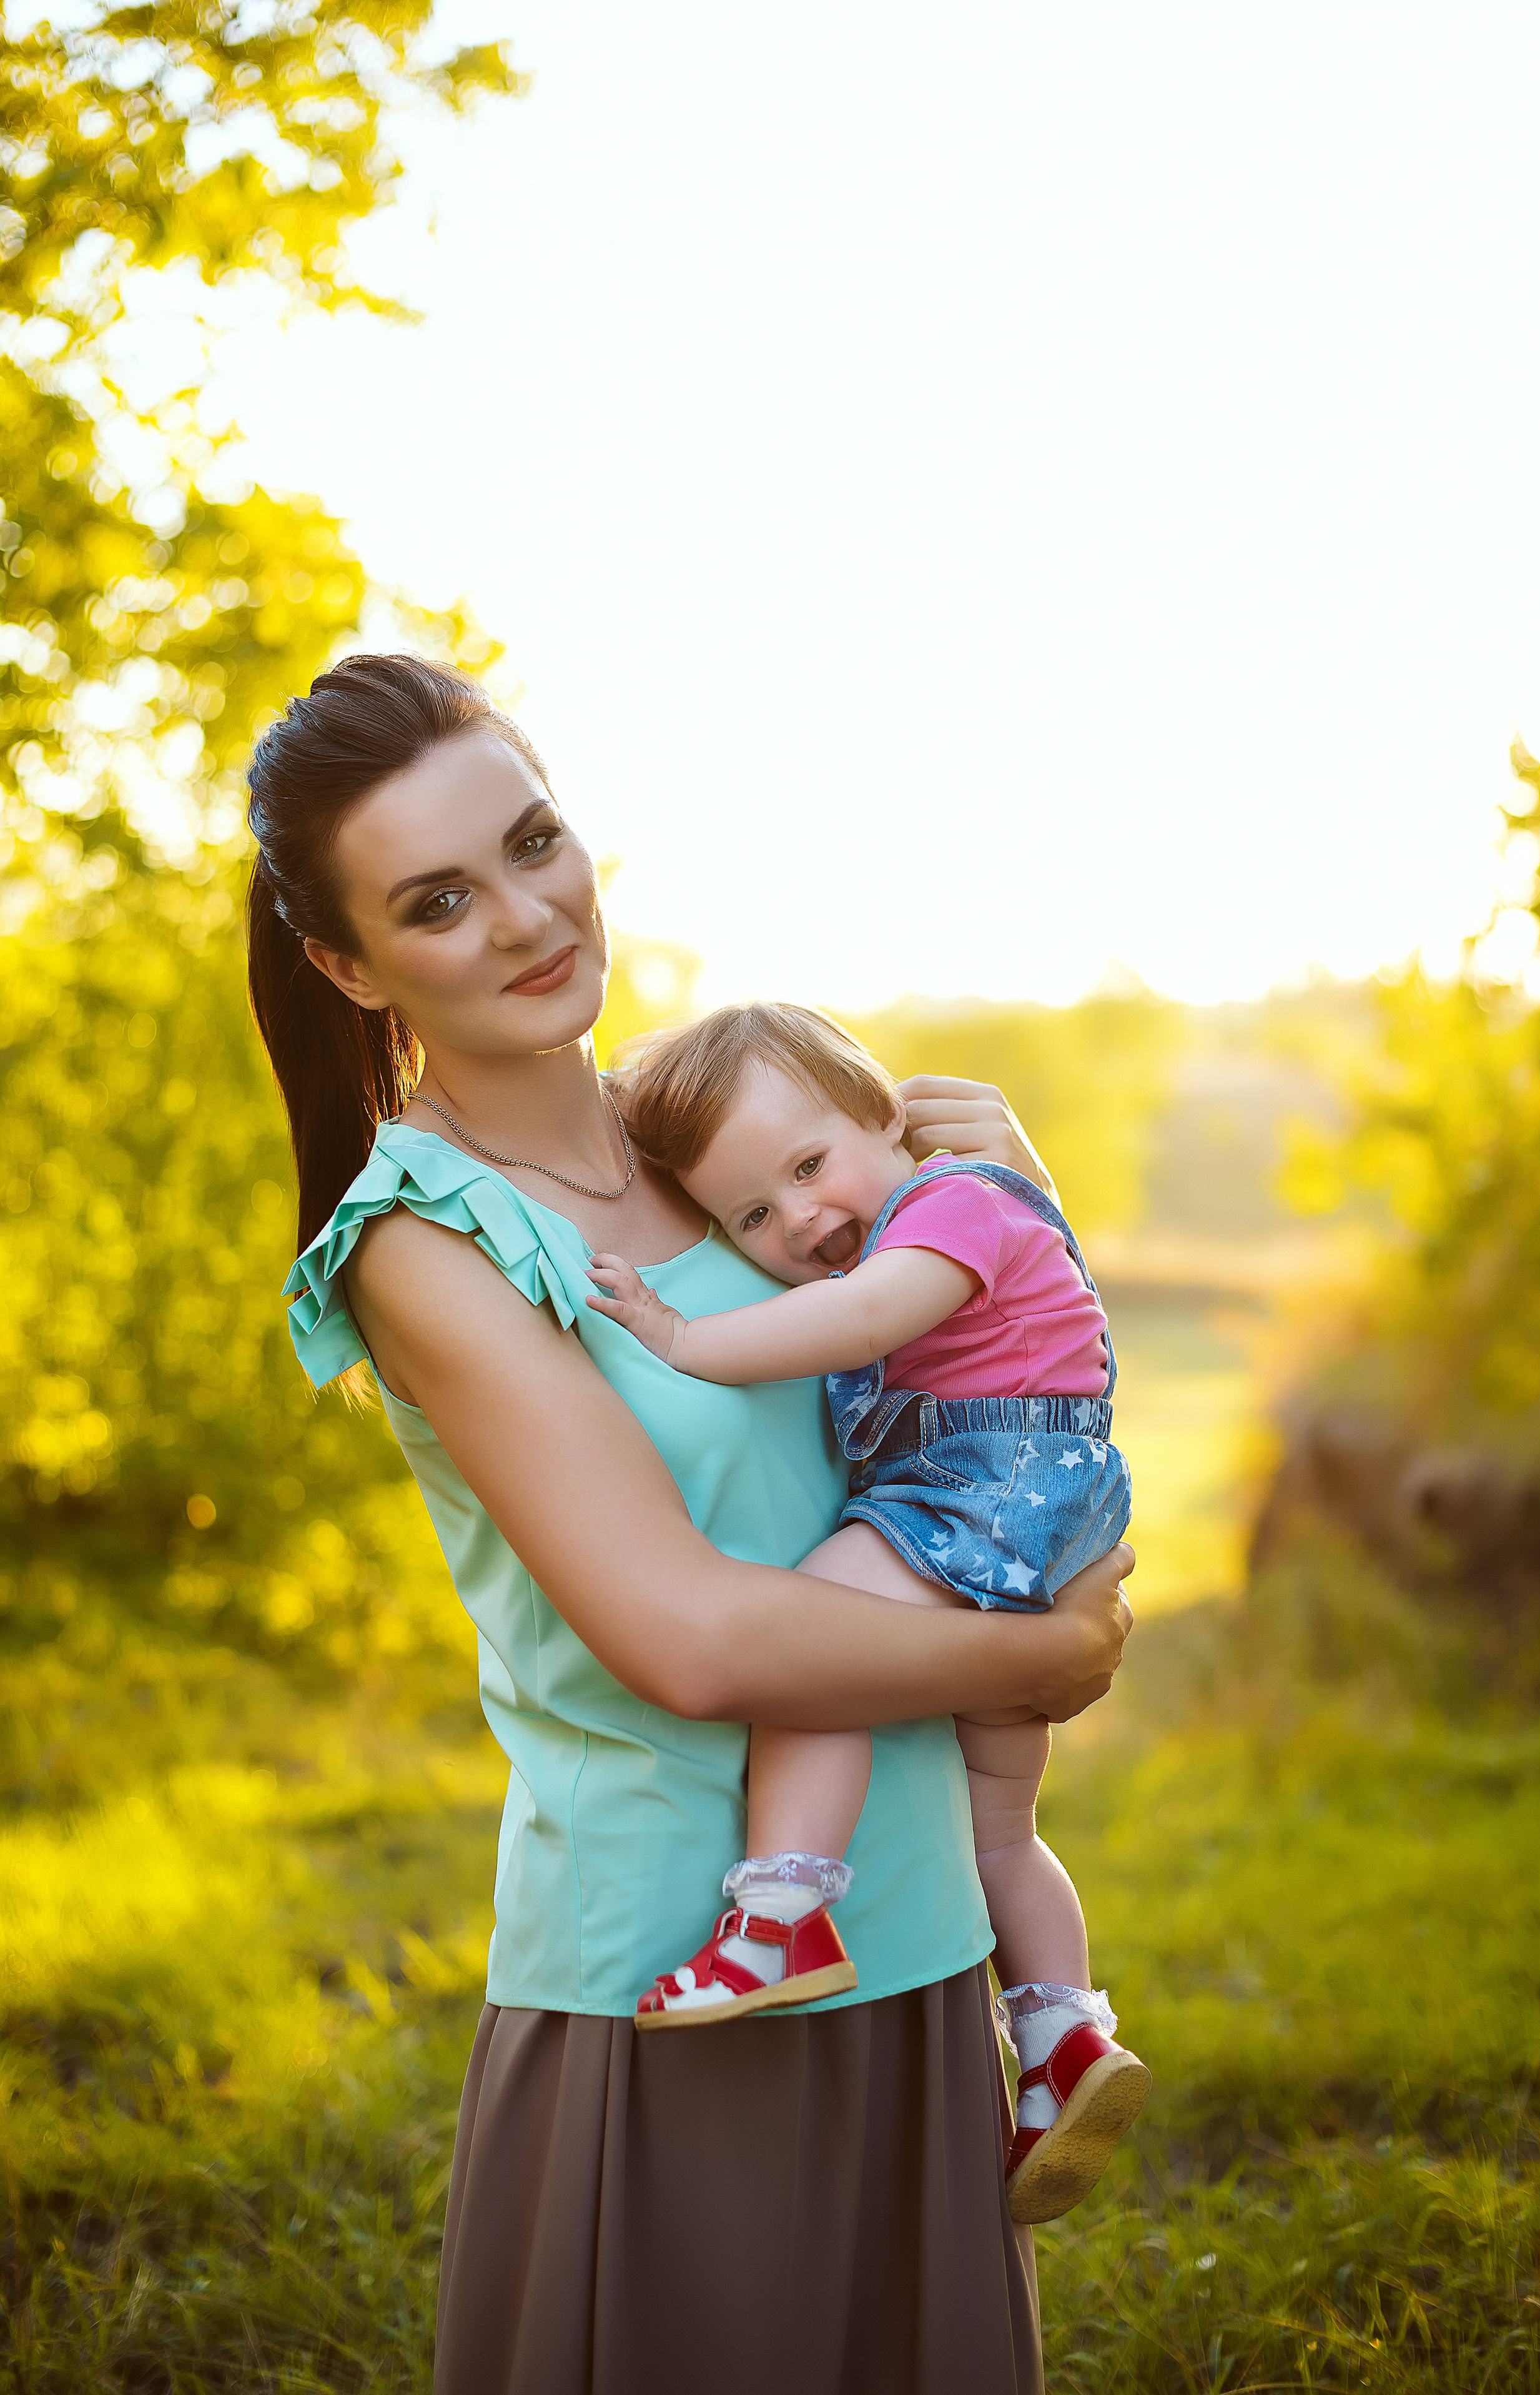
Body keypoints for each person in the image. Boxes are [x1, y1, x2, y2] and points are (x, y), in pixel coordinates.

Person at [245, 652, 1134, 2395]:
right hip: (681, 1969)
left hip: (916, 1922)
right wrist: (1050, 1655)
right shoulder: (426, 1240)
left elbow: (1015, 1423)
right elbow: (692, 1634)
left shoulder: (727, 1141)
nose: (524, 918)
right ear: (350, 969)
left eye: (534, 841)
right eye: (439, 903)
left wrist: (1014, 1202)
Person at [587, 1003, 1148, 2224]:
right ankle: (1060, 2045)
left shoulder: (952, 1203)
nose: (795, 1219)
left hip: (990, 1483)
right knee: (998, 1827)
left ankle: (779, 1915)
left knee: (815, 1644)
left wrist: (680, 1334)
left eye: (806, 1165)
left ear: (884, 1115)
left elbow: (860, 1321)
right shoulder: (943, 1212)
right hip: (1039, 1513)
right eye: (750, 1214)